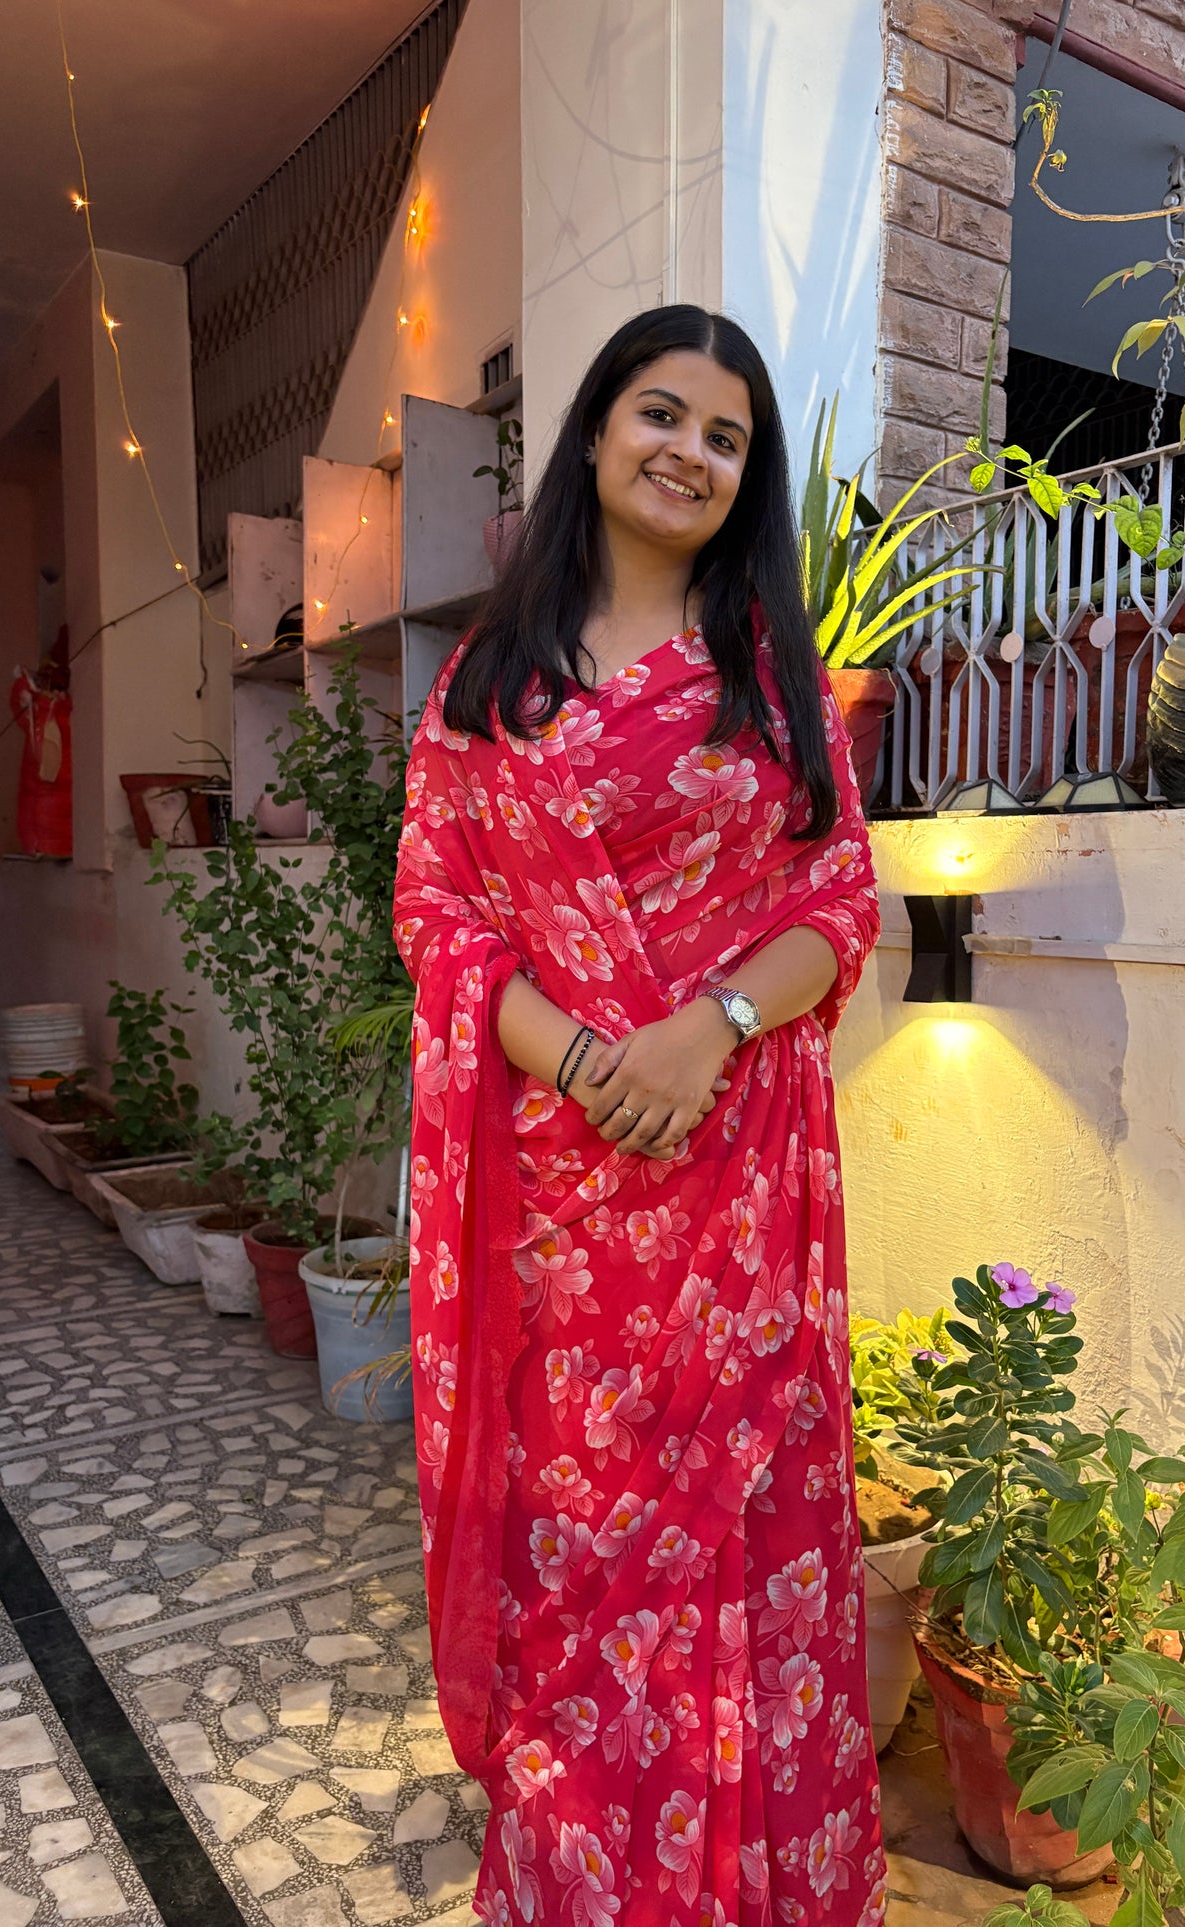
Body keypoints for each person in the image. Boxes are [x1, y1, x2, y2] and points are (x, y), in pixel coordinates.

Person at [393, 304, 885, 1926]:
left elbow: (839, 898)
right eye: (659, 414)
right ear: (597, 432)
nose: (687, 450)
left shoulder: (774, 683)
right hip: (556, 1209)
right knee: (579, 1569)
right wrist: (576, 1063)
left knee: (735, 1553)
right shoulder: (489, 680)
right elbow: (438, 909)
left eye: (724, 435)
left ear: (745, 478)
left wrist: (709, 1028)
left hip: (732, 1188)